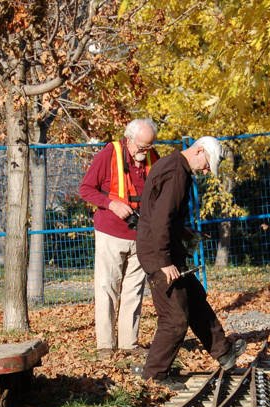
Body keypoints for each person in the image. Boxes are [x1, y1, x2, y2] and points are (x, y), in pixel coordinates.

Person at [135, 136, 246, 388]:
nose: (206, 171)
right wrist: (164, 260)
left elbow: (161, 214)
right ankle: (155, 376)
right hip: (158, 254)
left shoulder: (175, 166)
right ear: (199, 150)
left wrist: (184, 233)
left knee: (195, 299)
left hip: (165, 250)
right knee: (174, 317)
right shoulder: (176, 173)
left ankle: (224, 352)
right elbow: (160, 219)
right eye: (207, 164)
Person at [79, 118, 159, 359]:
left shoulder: (152, 157)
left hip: (141, 233)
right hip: (110, 232)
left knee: (134, 290)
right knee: (107, 288)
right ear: (129, 139)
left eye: (149, 147)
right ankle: (105, 345)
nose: (144, 152)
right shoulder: (109, 154)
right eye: (141, 147)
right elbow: (86, 189)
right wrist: (111, 204)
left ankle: (129, 344)